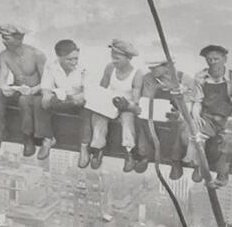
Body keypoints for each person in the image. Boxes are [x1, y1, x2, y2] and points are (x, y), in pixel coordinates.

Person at [192, 43, 232, 189]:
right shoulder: (200, 77)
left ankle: (222, 175)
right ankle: (200, 166)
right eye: (209, 59)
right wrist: (195, 114)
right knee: (195, 133)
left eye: (216, 59)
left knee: (229, 141)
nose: (212, 63)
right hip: (209, 117)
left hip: (230, 118)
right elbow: (197, 100)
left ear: (225, 59)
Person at [0, 24, 49, 157]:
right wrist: (4, 88)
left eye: (7, 38)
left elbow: (46, 81)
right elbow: (2, 77)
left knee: (24, 100)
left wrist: (33, 90)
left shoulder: (37, 55)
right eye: (2, 38)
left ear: (19, 39)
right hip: (18, 89)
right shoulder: (4, 55)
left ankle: (27, 137)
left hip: (36, 92)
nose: (3, 41)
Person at [136, 56, 190, 181]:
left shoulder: (184, 78)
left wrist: (177, 92)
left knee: (180, 125)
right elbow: (146, 98)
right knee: (142, 119)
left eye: (155, 67)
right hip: (156, 110)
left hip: (176, 113)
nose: (151, 69)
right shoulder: (148, 78)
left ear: (167, 66)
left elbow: (188, 103)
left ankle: (176, 161)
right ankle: (144, 154)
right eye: (150, 67)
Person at [90, 40, 141, 170]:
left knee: (127, 119)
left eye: (117, 58)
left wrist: (127, 105)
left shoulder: (136, 73)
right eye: (112, 57)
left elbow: (136, 101)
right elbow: (103, 88)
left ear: (128, 58)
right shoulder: (110, 68)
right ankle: (98, 149)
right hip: (110, 104)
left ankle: (129, 151)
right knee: (99, 116)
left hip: (126, 106)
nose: (114, 61)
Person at [42, 37, 93, 160]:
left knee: (87, 111)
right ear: (59, 58)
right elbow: (46, 88)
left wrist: (75, 98)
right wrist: (46, 96)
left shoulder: (84, 67)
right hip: (61, 100)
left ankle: (84, 146)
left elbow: (89, 91)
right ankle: (48, 139)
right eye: (70, 59)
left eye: (76, 58)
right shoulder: (51, 66)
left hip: (78, 101)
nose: (74, 62)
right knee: (43, 103)